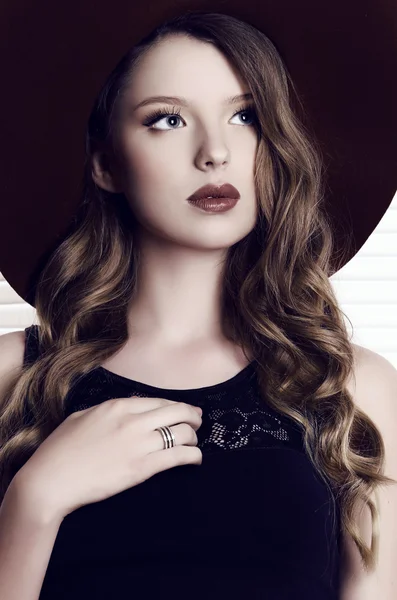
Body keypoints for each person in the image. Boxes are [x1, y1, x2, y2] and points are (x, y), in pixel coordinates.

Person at [0, 5, 397, 600]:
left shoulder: (350, 387)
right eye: (166, 120)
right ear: (106, 163)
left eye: (245, 115)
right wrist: (34, 504)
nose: (215, 152)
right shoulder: (12, 377)